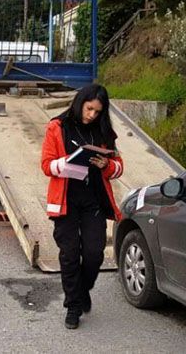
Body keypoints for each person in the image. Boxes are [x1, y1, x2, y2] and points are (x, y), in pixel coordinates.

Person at [40, 84, 124, 330]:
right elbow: (46, 165)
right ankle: (73, 307)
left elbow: (119, 167)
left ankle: (82, 290)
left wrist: (105, 165)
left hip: (93, 202)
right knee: (69, 255)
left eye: (98, 112)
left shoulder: (104, 131)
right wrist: (66, 162)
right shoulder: (57, 127)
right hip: (65, 201)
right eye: (89, 109)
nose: (92, 116)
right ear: (79, 103)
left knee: (94, 254)